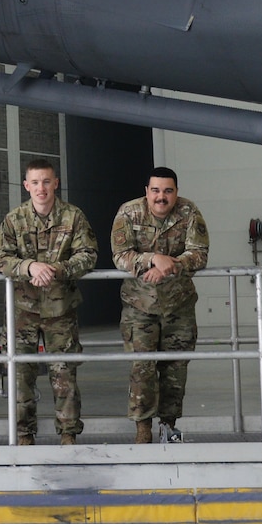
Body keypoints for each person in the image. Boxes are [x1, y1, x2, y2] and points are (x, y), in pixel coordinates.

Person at [0, 158, 98, 445]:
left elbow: (88, 255)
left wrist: (56, 270)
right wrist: (29, 267)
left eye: (47, 181)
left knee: (64, 375)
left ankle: (68, 435)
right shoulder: (14, 219)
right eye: (35, 182)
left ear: (56, 183)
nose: (41, 188)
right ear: (26, 186)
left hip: (60, 309)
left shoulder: (73, 217)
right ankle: (24, 436)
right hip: (22, 311)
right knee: (20, 376)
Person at [111, 166, 210, 443]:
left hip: (178, 307)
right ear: (146, 192)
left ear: (176, 192)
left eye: (168, 191)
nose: (161, 197)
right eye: (155, 191)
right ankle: (143, 430)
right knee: (142, 370)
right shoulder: (129, 213)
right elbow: (121, 255)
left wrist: (169, 265)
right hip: (139, 307)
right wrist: (153, 259)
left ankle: (168, 426)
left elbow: (200, 254)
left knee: (175, 370)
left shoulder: (189, 212)